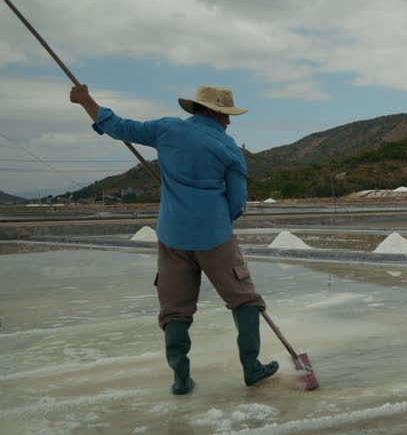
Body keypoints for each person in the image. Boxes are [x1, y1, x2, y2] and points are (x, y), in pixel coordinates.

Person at [70, 84, 278, 395]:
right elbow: (237, 201)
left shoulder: (166, 129)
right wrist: (218, 220)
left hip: (171, 236)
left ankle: (181, 379)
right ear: (217, 113)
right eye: (227, 116)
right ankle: (252, 367)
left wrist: (85, 100)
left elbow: (117, 126)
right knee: (244, 299)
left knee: (175, 310)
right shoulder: (230, 149)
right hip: (215, 236)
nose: (229, 123)